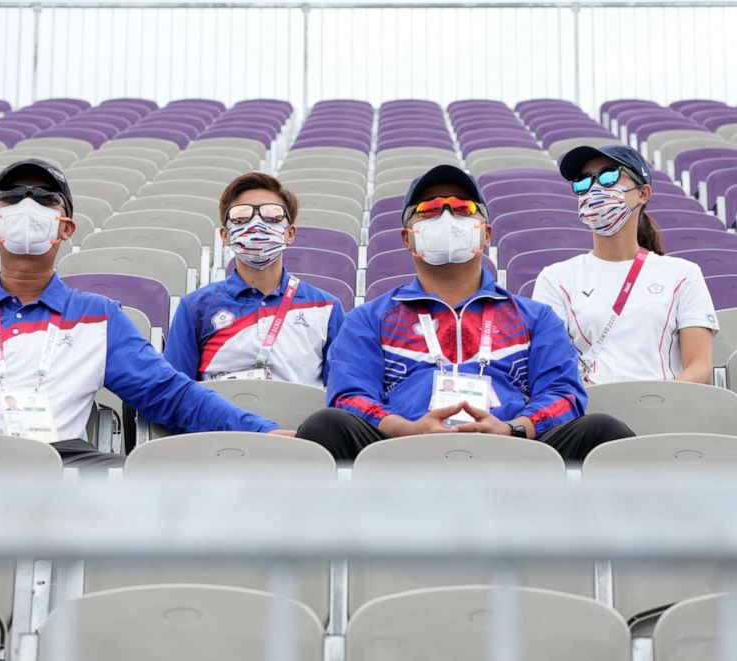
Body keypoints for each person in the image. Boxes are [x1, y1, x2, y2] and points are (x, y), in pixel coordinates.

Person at [0, 159, 294, 465]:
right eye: (12, 198)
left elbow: (172, 394)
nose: (27, 206)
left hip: (52, 463)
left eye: (45, 198)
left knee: (129, 482)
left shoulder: (100, 317)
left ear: (65, 226)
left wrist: (262, 432)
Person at [296, 164, 634, 462]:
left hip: (513, 448)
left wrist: (512, 430)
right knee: (325, 426)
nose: (446, 217)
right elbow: (349, 394)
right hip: (400, 448)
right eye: (428, 210)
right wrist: (408, 430)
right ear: (407, 238)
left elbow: (563, 394)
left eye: (462, 208)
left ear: (486, 234)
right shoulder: (370, 318)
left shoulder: (536, 317)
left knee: (602, 430)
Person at [533, 144, 717, 384]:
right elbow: (552, 367)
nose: (595, 188)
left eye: (609, 175)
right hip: (593, 414)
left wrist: (659, 405)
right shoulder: (555, 279)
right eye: (583, 181)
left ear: (643, 193)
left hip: (666, 411)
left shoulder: (683, 274)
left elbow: (699, 367)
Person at [164, 172, 345, 387]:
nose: (257, 224)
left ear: (290, 233)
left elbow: (341, 393)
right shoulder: (195, 307)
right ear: (225, 235)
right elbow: (175, 391)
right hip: (218, 421)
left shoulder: (326, 308)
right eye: (241, 217)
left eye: (272, 216)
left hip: (301, 421)